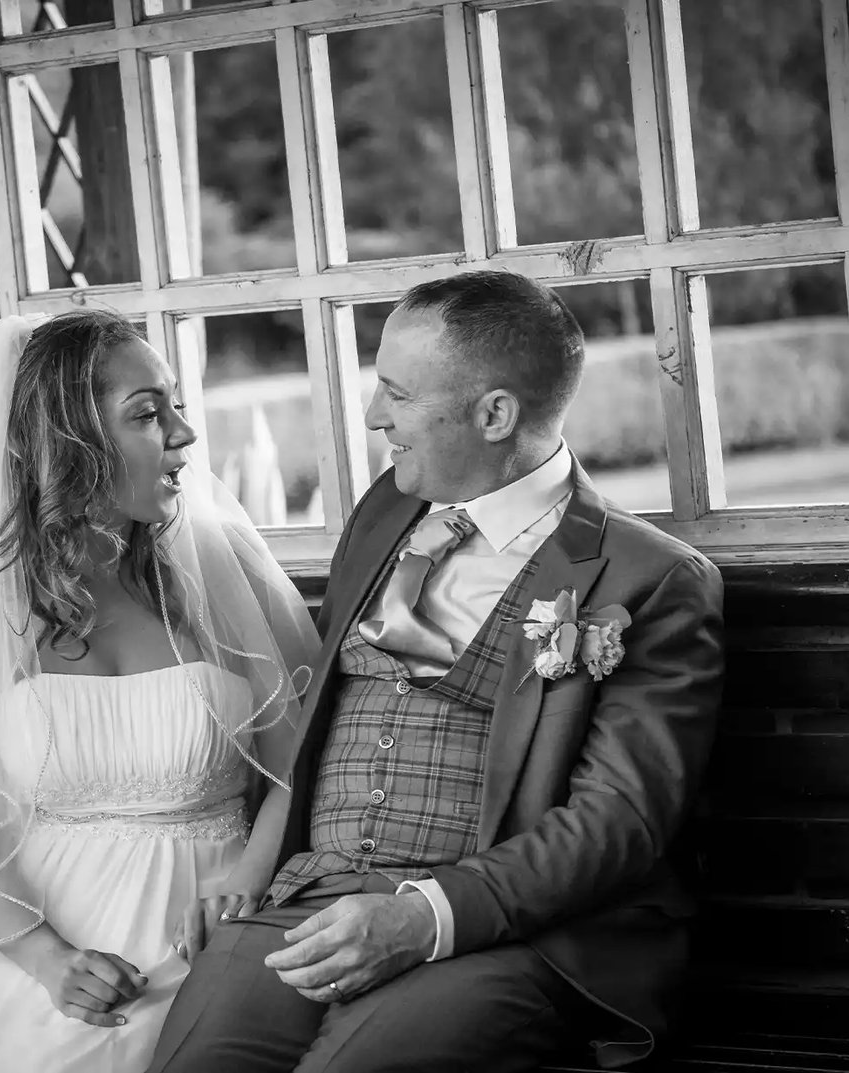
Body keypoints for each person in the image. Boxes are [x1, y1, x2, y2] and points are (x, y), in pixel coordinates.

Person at [147, 270, 726, 1072]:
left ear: (495, 413)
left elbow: (616, 825)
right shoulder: (386, 509)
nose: (375, 415)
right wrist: (255, 868)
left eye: (397, 393)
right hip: (311, 895)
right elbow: (328, 717)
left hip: (509, 934)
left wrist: (423, 918)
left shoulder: (647, 577)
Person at [0, 309, 319, 1072]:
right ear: (74, 443)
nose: (185, 436)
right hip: (31, 935)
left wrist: (249, 878)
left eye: (175, 406)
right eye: (148, 415)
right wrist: (48, 959)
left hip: (209, 927)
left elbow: (304, 763)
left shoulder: (220, 570)